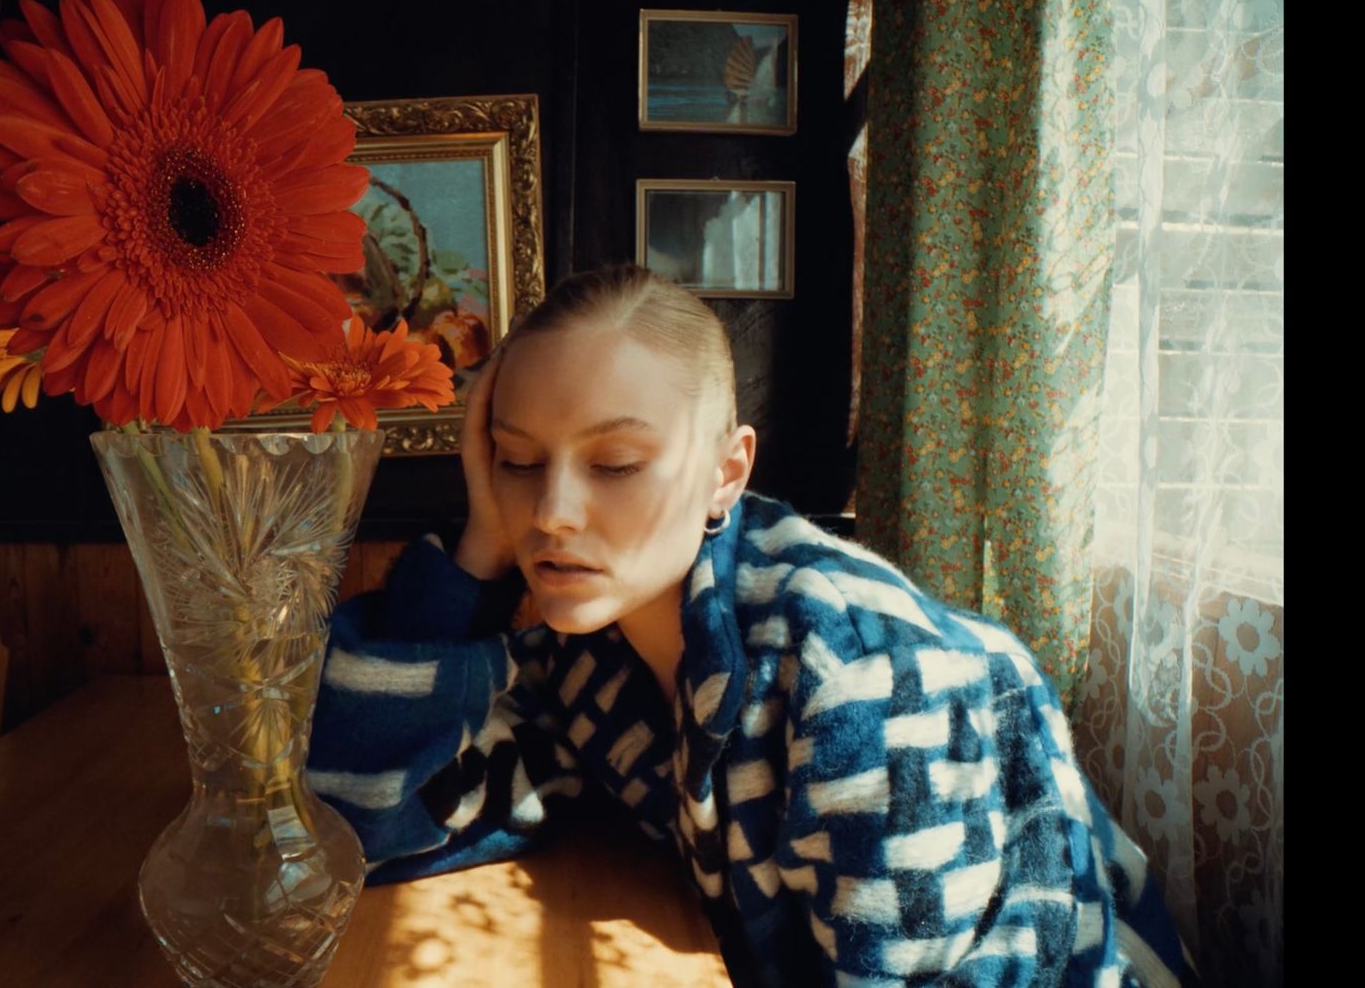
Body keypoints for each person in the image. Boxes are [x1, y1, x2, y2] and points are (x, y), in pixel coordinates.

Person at [308, 264, 1193, 987]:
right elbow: (361, 825)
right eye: (517, 460)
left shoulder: (860, 678)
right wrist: (478, 546)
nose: (553, 511)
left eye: (615, 462)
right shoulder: (589, 656)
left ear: (727, 474)